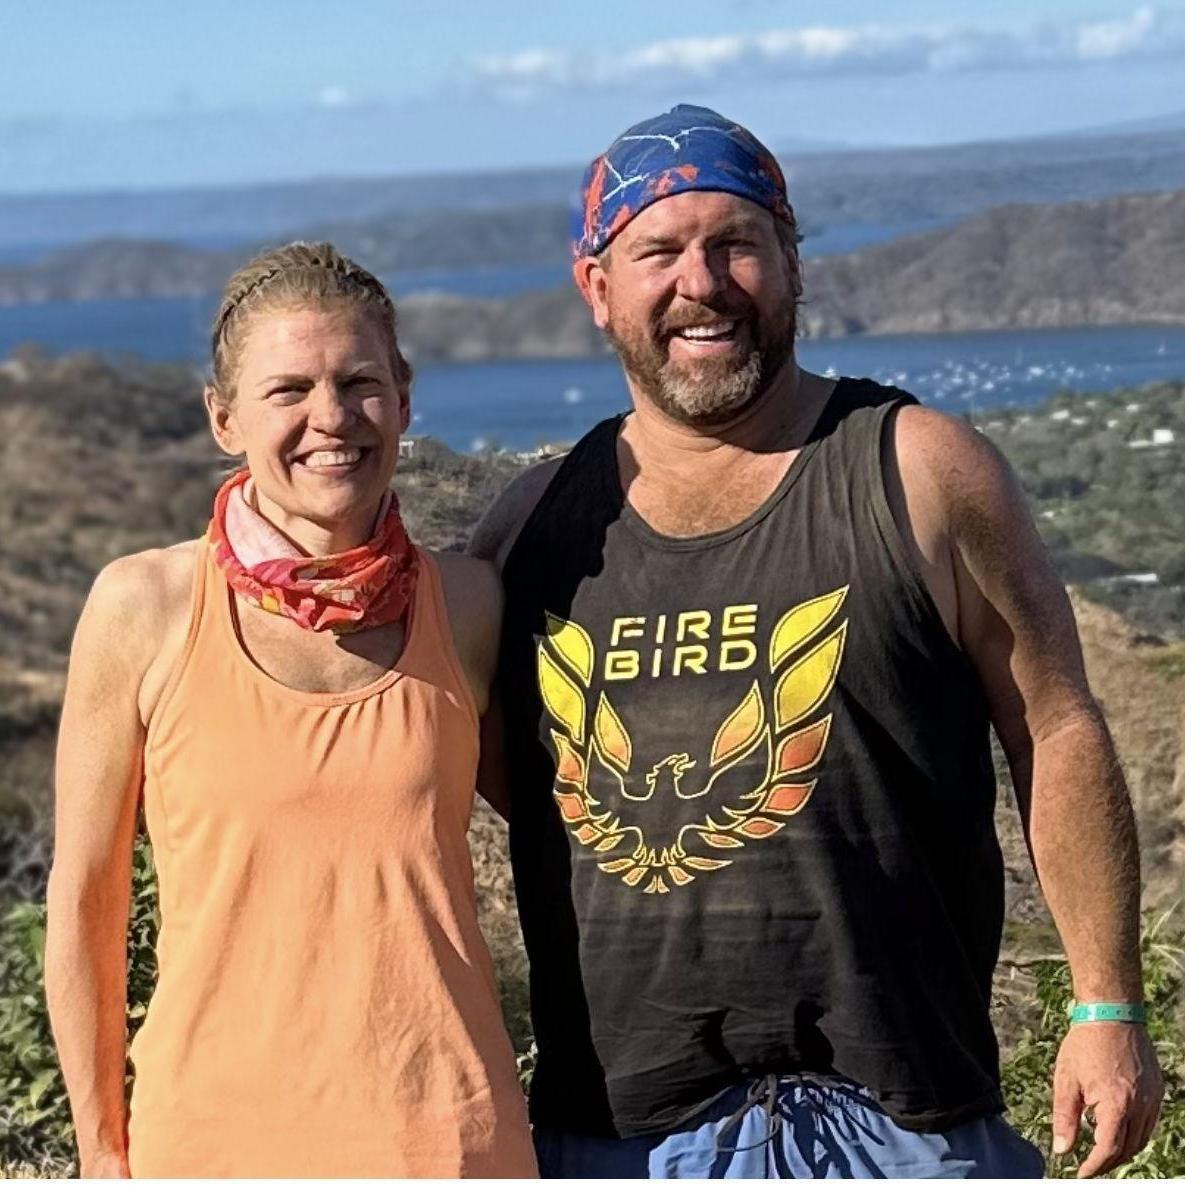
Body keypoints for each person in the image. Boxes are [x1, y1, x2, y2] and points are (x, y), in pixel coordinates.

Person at [469, 105, 1164, 1178]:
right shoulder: (528, 532)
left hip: (908, 1126)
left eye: (736, 243)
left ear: (791, 262)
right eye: (658, 251)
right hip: (620, 1136)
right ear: (597, 287)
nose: (702, 282)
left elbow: (1056, 725)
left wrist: (1106, 1003)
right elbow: (489, 775)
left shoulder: (920, 471)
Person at [44, 243, 537, 1178]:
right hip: (212, 1144)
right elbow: (84, 900)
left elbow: (569, 839)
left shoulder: (470, 606)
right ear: (223, 418)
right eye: (289, 391)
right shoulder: (143, 609)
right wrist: (101, 1150)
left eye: (360, 383)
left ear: (404, 398)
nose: (331, 417)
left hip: (450, 1142)